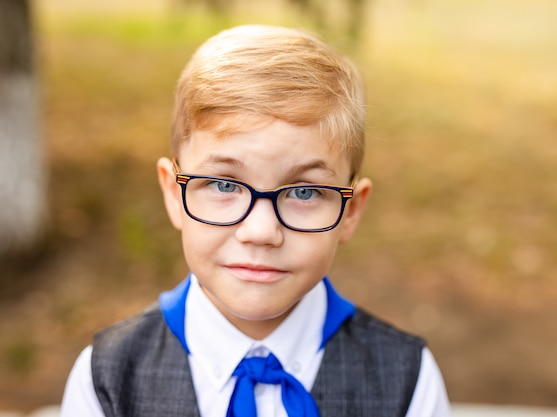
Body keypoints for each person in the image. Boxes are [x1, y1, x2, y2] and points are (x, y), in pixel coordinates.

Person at [60, 24, 450, 416]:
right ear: (174, 194)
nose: (262, 232)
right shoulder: (104, 381)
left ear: (350, 211)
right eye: (224, 185)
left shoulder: (407, 380)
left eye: (304, 191)